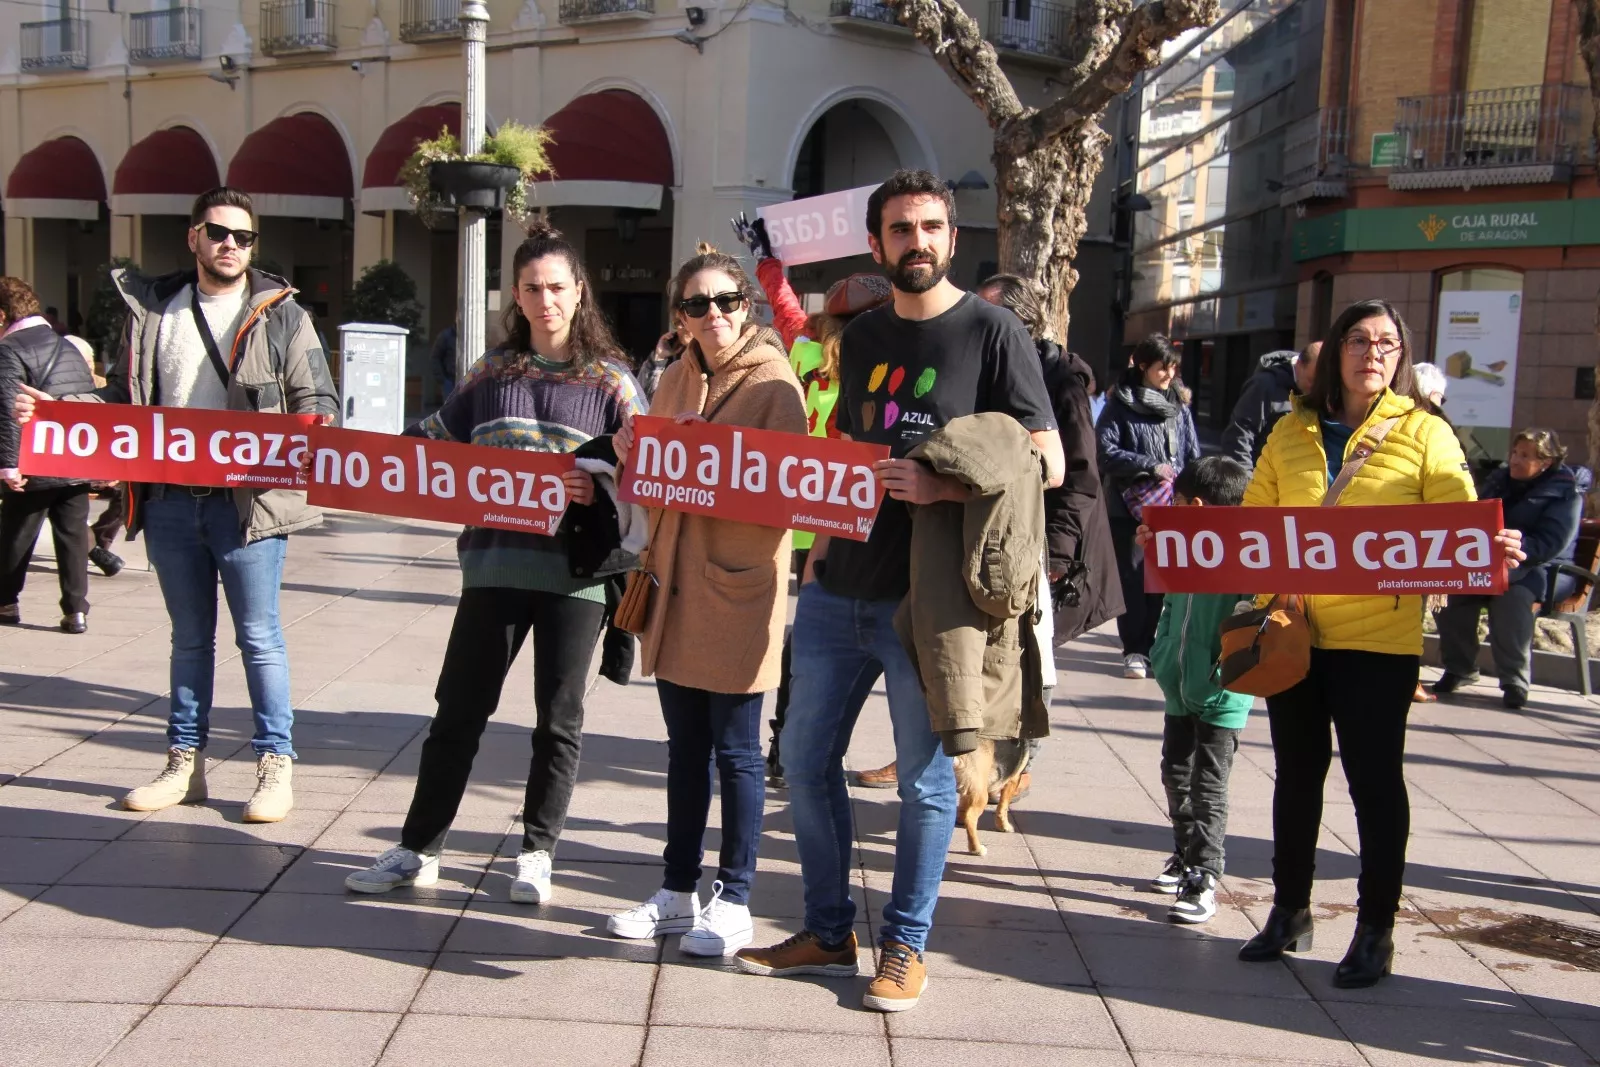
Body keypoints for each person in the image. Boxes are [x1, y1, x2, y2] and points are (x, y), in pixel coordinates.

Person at [734, 169, 1064, 1012]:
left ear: (951, 237)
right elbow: (850, 449)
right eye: (900, 229)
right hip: (838, 586)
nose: (916, 241)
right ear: (876, 244)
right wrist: (815, 559)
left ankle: (906, 947)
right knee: (804, 761)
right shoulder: (866, 336)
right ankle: (828, 930)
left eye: (930, 227)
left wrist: (943, 486)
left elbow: (1048, 459)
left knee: (924, 783)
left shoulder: (993, 332)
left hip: (934, 602)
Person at [11, 187, 340, 823]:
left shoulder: (282, 314)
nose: (231, 245)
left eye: (244, 237)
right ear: (194, 237)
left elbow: (317, 398)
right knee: (189, 640)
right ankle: (184, 764)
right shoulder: (153, 311)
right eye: (219, 233)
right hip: (167, 502)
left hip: (247, 506)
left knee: (260, 638)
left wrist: (311, 430)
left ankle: (275, 765)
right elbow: (124, 402)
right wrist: (56, 413)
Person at [345, 223, 643, 902]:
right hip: (493, 567)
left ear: (579, 292)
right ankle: (418, 848)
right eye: (532, 288)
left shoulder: (612, 383)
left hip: (576, 578)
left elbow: (644, 478)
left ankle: (537, 853)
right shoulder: (491, 374)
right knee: (457, 713)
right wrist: (346, 454)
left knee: (558, 723)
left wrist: (595, 486)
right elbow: (431, 442)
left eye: (557, 287)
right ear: (516, 294)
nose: (546, 300)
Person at [1232, 298, 1523, 989]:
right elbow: (1253, 526)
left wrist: (1489, 543)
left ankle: (1375, 929)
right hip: (1294, 632)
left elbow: (1457, 517)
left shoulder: (1425, 432)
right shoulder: (1290, 431)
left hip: (1378, 643)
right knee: (1296, 776)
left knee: (1374, 783)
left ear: (1400, 357)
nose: (1373, 353)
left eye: (1387, 343)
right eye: (1359, 340)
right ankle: (1289, 910)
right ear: (1336, 350)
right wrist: (1184, 539)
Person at [606, 244, 806, 956]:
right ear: (681, 316)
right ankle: (676, 891)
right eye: (698, 303)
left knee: (738, 752)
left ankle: (736, 898)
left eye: (726, 301)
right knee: (685, 749)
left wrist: (708, 451)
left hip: (736, 586)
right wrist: (636, 452)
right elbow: (653, 481)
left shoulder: (775, 382)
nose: (713, 313)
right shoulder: (677, 375)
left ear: (746, 307)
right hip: (674, 583)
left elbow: (786, 491)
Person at [734, 212, 894, 789]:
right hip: (852, 511)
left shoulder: (802, 345)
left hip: (796, 507)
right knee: (835, 637)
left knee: (800, 633)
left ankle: (782, 745)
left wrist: (767, 259)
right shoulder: (882, 358)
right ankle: (803, 745)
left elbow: (781, 304)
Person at [978, 274, 1123, 645]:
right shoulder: (986, 371)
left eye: (986, 316)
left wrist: (1058, 552)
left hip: (1046, 546)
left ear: (1018, 324)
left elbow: (1080, 475)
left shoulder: (1062, 384)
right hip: (1001, 541)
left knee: (1030, 658)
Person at [1148, 456, 1253, 926]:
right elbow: (1173, 604)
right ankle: (1185, 853)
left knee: (1208, 785)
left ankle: (1204, 875)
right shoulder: (1184, 550)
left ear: (1194, 506)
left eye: (1174, 502)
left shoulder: (1246, 555)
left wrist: (1223, 669)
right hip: (1179, 684)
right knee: (1175, 773)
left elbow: (1250, 620)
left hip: (1221, 692)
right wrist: (1162, 650)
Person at [1433, 428, 1585, 710]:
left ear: (1546, 462)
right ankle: (1460, 669)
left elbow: (1550, 543)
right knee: (1450, 593)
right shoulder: (1498, 481)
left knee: (1511, 596)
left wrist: (1513, 551)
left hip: (1546, 570)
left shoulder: (1566, 494)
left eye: (1525, 456)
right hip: (1494, 562)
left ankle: (1515, 681)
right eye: (1515, 452)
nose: (1514, 460)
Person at [1097, 334, 1199, 679]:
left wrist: (1194, 492)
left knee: (1161, 579)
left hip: (1169, 505)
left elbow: (1191, 454)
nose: (1169, 375)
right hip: (1127, 505)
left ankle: (1151, 646)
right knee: (1133, 579)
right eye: (1162, 368)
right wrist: (1149, 465)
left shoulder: (1178, 406)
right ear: (1143, 366)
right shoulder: (1120, 403)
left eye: (1173, 368)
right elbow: (1104, 451)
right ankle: (1134, 649)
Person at [0, 277, 97, 633]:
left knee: (16, 535)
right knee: (73, 537)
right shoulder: (68, 346)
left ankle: (6, 602)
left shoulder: (10, 350)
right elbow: (88, 398)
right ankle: (76, 611)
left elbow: (8, 410)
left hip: (33, 459)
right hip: (74, 455)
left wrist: (8, 465)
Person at [1220, 342, 1321, 470]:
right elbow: (1239, 436)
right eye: (1312, 381)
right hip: (1261, 476)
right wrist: (1247, 479)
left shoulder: (1323, 392)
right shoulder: (1264, 385)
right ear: (1299, 365)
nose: (1316, 390)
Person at [430, 319, 458, 403]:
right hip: (450, 381)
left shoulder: (475, 336)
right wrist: (442, 379)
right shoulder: (446, 336)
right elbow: (435, 357)